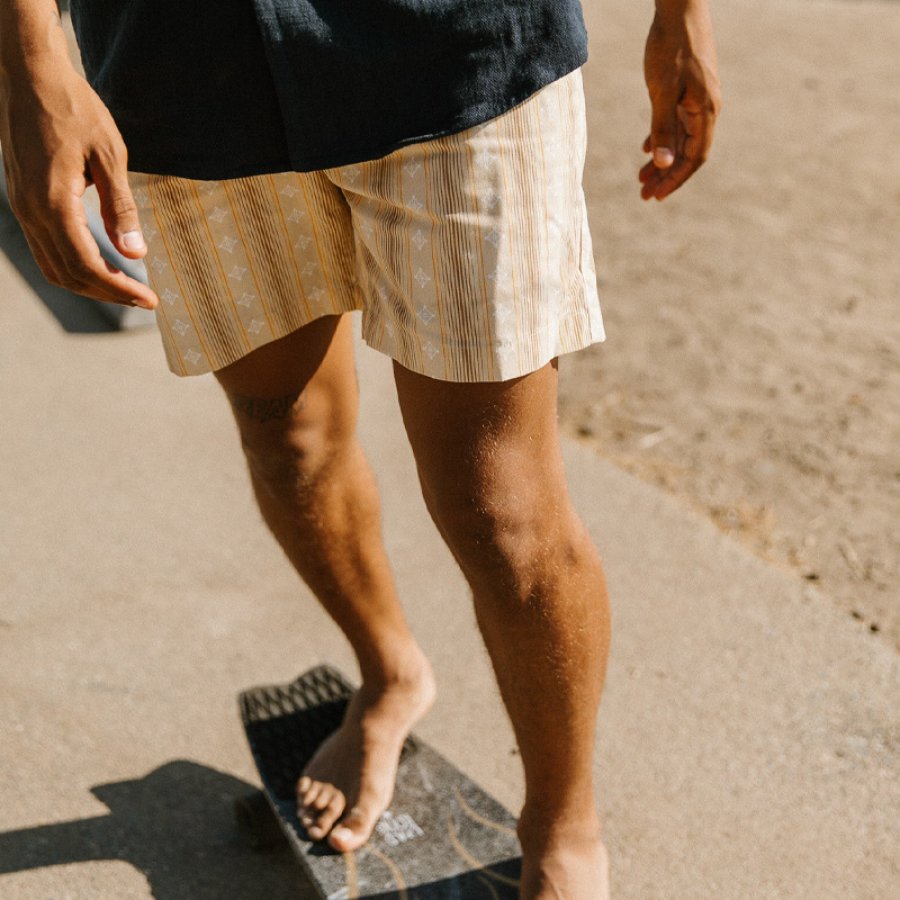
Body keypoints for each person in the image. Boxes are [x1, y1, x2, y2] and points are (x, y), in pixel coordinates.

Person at [0, 1, 719, 895]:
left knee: (500, 507)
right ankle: (389, 673)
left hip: (456, 53)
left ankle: (565, 821)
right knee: (286, 438)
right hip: (182, 69)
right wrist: (31, 61)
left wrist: (681, 13)